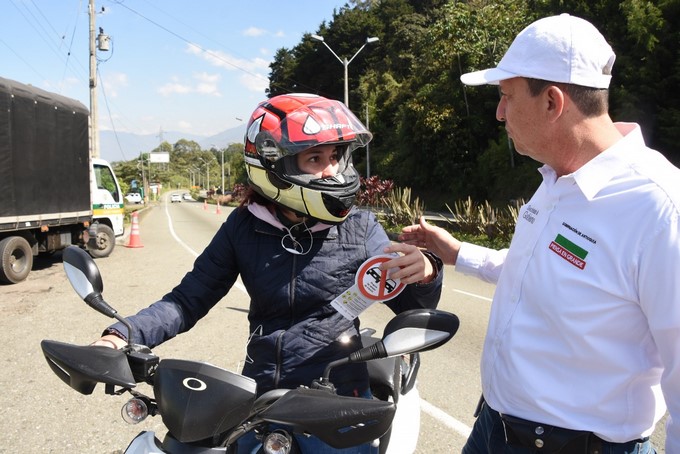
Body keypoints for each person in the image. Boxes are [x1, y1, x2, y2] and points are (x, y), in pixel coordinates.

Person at [93, 93, 444, 453]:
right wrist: (122, 335)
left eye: (335, 156)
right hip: (262, 399)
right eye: (315, 158)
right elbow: (187, 300)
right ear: (274, 167)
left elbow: (410, 307)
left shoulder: (360, 228)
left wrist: (426, 271)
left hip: (338, 400)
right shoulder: (244, 227)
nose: (331, 170)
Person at [399, 13, 679, 454]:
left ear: (552, 102)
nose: (499, 113)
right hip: (494, 427)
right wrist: (458, 253)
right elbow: (539, 269)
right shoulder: (556, 178)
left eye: (506, 96)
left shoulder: (660, 209)